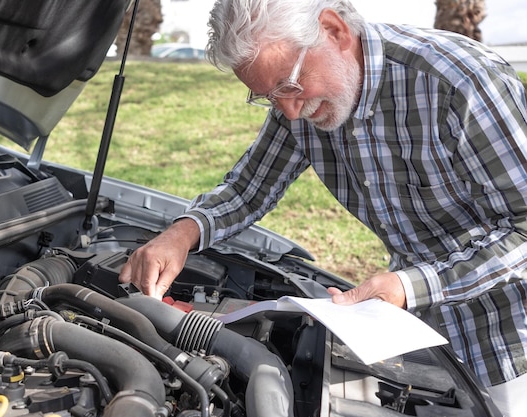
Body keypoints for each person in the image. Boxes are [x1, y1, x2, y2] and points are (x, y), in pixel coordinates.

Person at [118, 0, 527, 414]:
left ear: (334, 30)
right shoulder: (295, 101)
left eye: (290, 86)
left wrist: (410, 286)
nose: (290, 113)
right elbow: (248, 190)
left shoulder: (458, 82)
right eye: (268, 96)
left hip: (511, 339)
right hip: (417, 333)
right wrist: (181, 234)